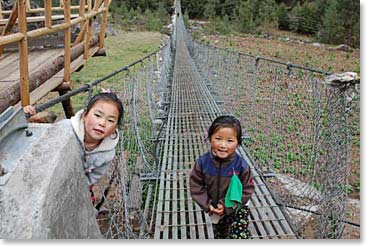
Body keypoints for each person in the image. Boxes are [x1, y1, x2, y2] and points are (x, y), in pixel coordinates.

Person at [23, 91, 124, 205]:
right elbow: (38, 144)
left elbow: (95, 175)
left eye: (110, 120)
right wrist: (24, 118)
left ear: (115, 127)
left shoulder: (107, 153)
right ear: (85, 115)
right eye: (97, 115)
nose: (102, 123)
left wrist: (77, 187)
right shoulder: (64, 129)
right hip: (48, 178)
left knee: (84, 207)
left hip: (78, 184)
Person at [189, 115, 255, 239]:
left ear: (238, 143)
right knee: (221, 235)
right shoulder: (203, 163)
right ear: (210, 138)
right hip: (214, 208)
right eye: (218, 139)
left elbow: (248, 189)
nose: (223, 145)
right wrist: (208, 205)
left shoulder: (241, 166)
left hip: (237, 207)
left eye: (230, 141)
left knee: (238, 236)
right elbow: (196, 186)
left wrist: (227, 205)